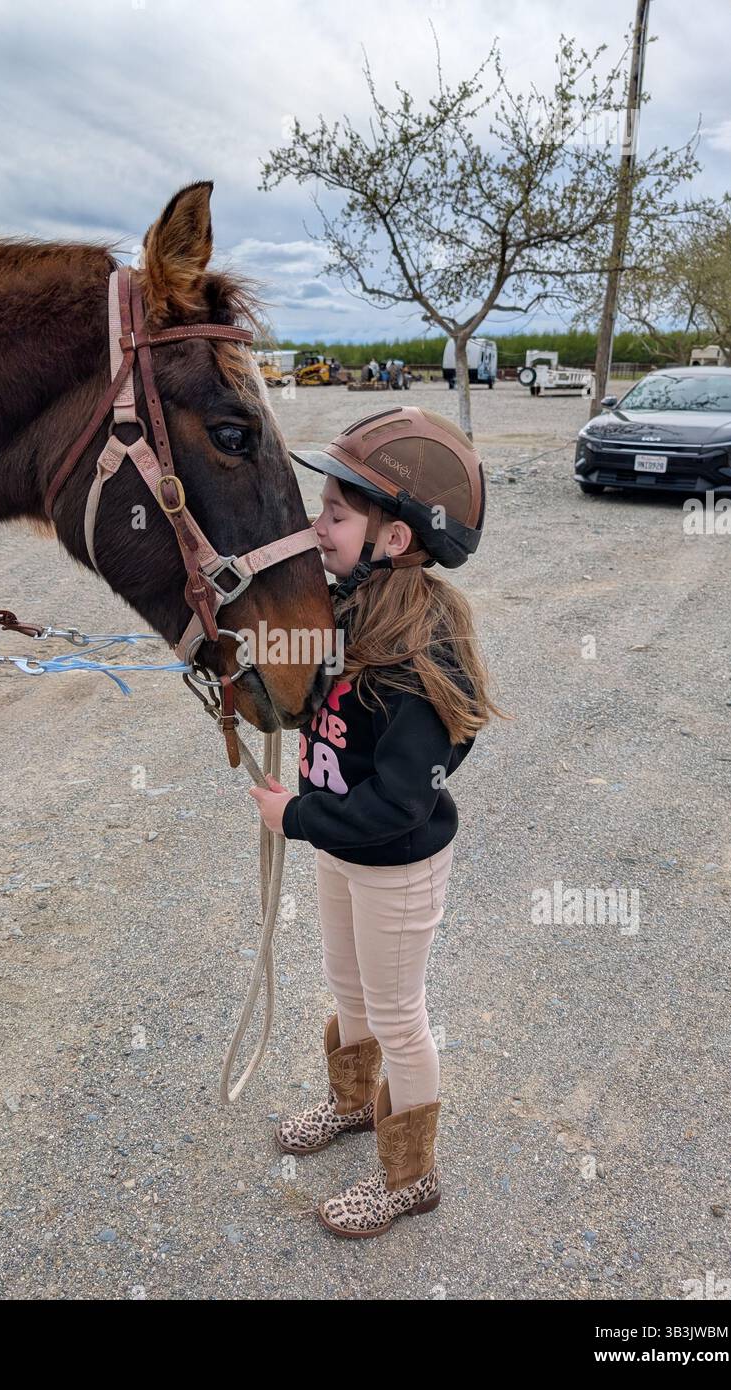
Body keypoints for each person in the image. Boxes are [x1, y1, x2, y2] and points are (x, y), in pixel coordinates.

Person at [248, 406, 505, 1238]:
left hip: (393, 860)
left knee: (399, 1018)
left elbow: (400, 800)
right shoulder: (343, 613)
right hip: (341, 845)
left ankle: (409, 1177)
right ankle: (352, 1106)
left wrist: (297, 816)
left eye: (334, 513)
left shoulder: (419, 653)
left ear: (393, 539)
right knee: (349, 990)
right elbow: (301, 704)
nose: (315, 526)